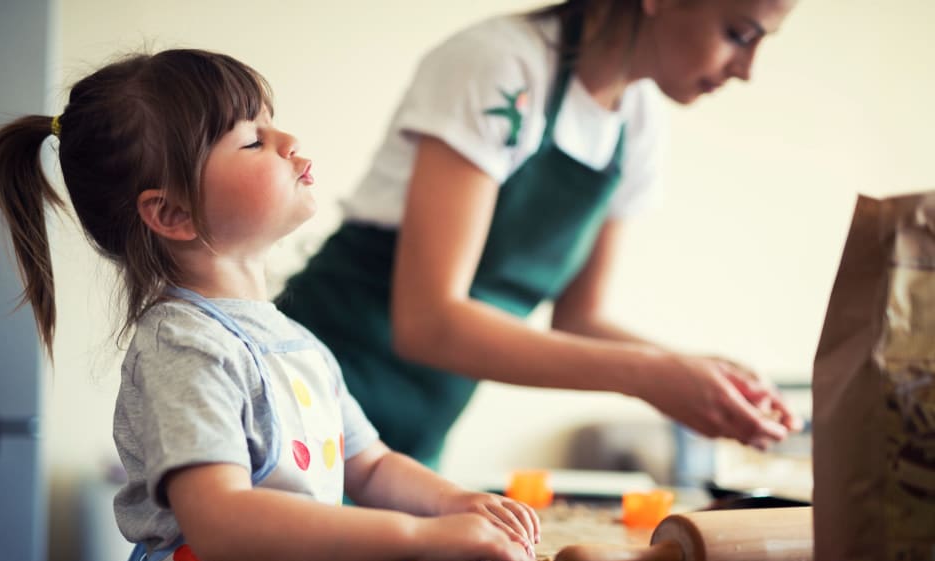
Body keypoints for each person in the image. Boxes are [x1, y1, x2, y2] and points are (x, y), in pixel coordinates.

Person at [0, 49, 545, 561]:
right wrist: (419, 536)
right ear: (172, 213)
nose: (288, 142)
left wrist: (453, 503)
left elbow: (368, 464)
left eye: (271, 125)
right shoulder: (183, 344)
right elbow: (223, 521)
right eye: (252, 139)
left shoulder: (297, 342)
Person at [278, 0, 804, 469]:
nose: (748, 70)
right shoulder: (499, 66)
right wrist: (648, 375)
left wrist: (696, 373)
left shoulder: (637, 123)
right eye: (739, 33)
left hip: (410, 447)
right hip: (308, 403)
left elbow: (581, 319)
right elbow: (428, 323)